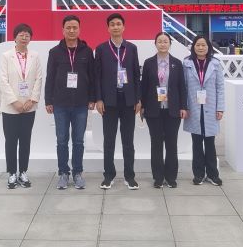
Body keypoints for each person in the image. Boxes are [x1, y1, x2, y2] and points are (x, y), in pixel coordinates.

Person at [44, 15, 96, 190]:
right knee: (61, 140)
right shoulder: (54, 52)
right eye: (68, 27)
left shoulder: (87, 51)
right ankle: (63, 173)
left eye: (75, 27)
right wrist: (48, 100)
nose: (72, 30)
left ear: (79, 29)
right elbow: (50, 77)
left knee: (79, 141)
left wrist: (92, 98)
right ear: (63, 30)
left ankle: (77, 173)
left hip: (81, 104)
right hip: (60, 104)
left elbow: (92, 77)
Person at [95, 13, 141, 190]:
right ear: (108, 28)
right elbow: (97, 76)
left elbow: (136, 75)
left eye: (118, 24)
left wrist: (138, 99)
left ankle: (130, 176)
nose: (115, 27)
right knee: (109, 141)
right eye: (112, 24)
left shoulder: (132, 48)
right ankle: (108, 175)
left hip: (129, 101)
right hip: (109, 101)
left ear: (123, 27)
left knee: (128, 141)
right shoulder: (101, 49)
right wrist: (99, 98)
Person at [140, 32, 187, 188]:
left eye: (165, 41)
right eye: (159, 41)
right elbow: (144, 86)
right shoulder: (148, 63)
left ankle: (171, 177)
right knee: (156, 144)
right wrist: (142, 106)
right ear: (155, 44)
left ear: (170, 44)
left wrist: (183, 106)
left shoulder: (177, 63)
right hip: (153, 110)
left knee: (172, 144)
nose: (162, 44)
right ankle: (158, 178)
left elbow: (182, 87)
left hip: (173, 110)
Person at [0, 23, 42, 189]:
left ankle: (23, 172)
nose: (24, 38)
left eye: (27, 35)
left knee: (25, 140)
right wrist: (14, 102)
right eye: (21, 35)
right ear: (15, 37)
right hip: (11, 107)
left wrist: (32, 100)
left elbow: (38, 79)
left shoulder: (35, 56)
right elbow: (3, 80)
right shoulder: (6, 56)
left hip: (29, 106)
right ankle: (12, 173)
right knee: (11, 140)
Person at [183, 35, 225, 186]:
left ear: (209, 47)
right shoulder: (187, 63)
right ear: (193, 47)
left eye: (204, 45)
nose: (200, 48)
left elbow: (220, 87)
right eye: (198, 45)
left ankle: (213, 174)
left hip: (211, 108)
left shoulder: (215, 64)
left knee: (210, 143)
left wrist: (220, 108)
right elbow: (183, 87)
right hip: (193, 108)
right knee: (196, 143)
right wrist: (185, 106)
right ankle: (199, 174)